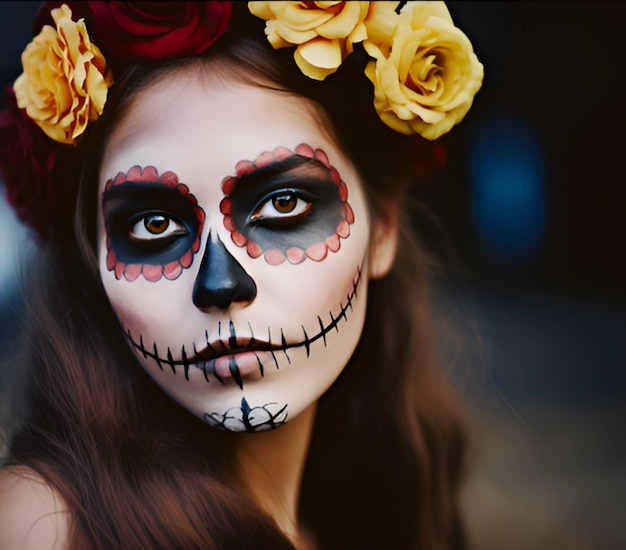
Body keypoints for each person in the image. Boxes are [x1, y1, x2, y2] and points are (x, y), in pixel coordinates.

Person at [0, 2, 483, 549]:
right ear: (93, 254)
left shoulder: (385, 524)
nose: (222, 285)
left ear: (385, 227)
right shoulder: (37, 525)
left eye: (283, 204)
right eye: (153, 223)